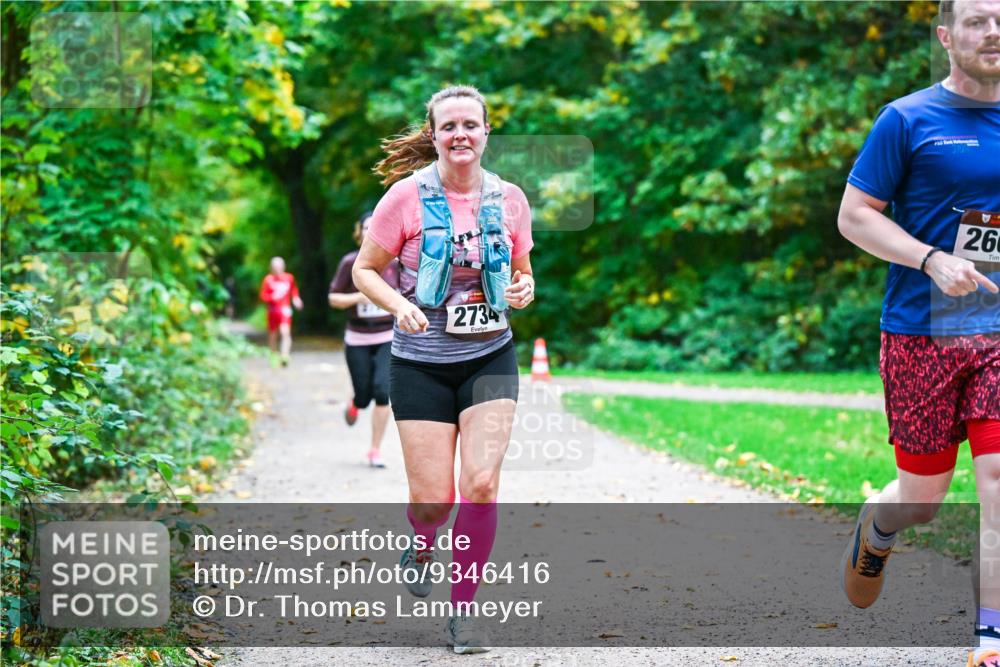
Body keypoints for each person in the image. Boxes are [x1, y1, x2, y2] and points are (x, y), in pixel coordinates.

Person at [837, 1, 999, 665]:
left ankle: (990, 633)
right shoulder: (907, 119)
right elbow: (854, 216)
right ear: (946, 37)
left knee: (997, 477)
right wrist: (931, 258)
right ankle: (879, 524)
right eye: (978, 20)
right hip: (921, 333)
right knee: (923, 501)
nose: (994, 31)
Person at [352, 85, 535, 654]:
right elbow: (365, 270)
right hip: (421, 361)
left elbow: (524, 273)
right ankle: (422, 539)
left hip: (490, 355)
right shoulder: (404, 198)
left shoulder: (510, 200)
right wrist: (399, 304)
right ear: (433, 134)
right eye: (449, 125)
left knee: (480, 484)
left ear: (485, 133)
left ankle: (463, 615)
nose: (460, 134)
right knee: (434, 500)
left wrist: (524, 289)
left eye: (470, 125)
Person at [328, 212, 400, 468]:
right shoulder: (350, 263)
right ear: (359, 233)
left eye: (376, 227)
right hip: (357, 336)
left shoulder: (394, 263)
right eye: (367, 228)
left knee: (383, 392)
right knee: (364, 395)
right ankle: (355, 403)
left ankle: (374, 449)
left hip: (387, 336)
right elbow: (334, 298)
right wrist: (359, 297)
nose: (371, 232)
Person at [259, 257, 303, 366]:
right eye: (275, 267)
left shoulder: (289, 278)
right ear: (271, 268)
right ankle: (273, 356)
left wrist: (296, 299)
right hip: (273, 311)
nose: (277, 269)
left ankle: (285, 356)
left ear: (283, 267)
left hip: (285, 310)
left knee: (285, 332)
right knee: (273, 335)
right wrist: (271, 297)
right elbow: (262, 296)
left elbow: (294, 291)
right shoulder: (268, 279)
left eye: (279, 266)